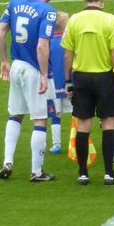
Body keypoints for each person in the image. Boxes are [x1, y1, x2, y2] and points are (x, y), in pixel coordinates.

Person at [0, 0, 60, 181]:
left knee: (15, 114)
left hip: (16, 66)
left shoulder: (15, 2)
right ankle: (36, 171)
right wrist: (43, 74)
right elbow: (42, 45)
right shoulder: (48, 11)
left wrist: (4, 61)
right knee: (40, 119)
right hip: (33, 69)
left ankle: (7, 161)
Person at [61, 0, 114, 185]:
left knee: (83, 124)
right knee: (108, 122)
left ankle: (82, 173)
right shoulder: (110, 20)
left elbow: (67, 55)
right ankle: (108, 173)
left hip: (81, 77)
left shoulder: (74, 20)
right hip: (104, 78)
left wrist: (68, 81)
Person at [48, 11, 71, 154]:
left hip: (53, 85)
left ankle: (56, 145)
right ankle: (78, 140)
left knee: (55, 115)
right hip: (70, 83)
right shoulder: (69, 42)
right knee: (77, 112)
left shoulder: (48, 42)